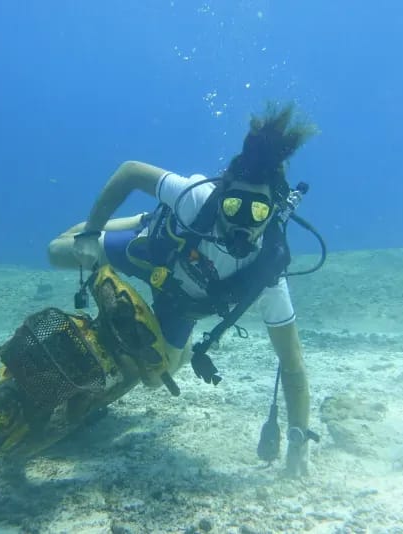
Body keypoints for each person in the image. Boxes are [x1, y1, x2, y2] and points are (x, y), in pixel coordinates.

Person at [47, 103, 318, 477]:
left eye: (256, 212)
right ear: (222, 196)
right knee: (58, 250)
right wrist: (92, 233)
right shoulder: (196, 197)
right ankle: (143, 219)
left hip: (181, 306)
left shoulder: (266, 273)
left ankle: (174, 339)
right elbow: (130, 172)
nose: (241, 222)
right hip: (151, 254)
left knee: (156, 379)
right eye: (235, 205)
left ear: (272, 212)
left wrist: (299, 443)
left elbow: (293, 365)